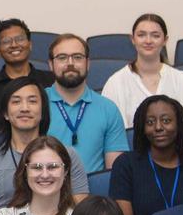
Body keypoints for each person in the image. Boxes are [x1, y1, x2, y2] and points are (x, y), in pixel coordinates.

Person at [0, 77, 90, 215]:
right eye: (16, 101)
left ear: (43, 111)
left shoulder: (67, 155)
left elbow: (81, 213)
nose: (25, 108)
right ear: (6, 113)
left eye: (32, 101)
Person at [101, 13, 183, 129]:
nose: (148, 41)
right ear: (132, 39)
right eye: (141, 35)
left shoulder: (181, 80)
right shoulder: (115, 83)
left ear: (165, 40)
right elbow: (111, 135)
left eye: (155, 36)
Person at [109, 96, 183, 215]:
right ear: (142, 128)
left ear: (179, 124)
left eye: (166, 121)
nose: (158, 127)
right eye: (150, 122)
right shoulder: (126, 165)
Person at [45, 33, 128, 171]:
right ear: (50, 65)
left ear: (88, 64)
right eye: (62, 58)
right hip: (45, 188)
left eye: (77, 57)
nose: (70, 63)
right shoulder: (36, 104)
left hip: (92, 192)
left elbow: (112, 173)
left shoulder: (108, 109)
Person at [0, 19, 56, 138]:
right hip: (1, 152)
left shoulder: (51, 80)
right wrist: (7, 151)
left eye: (20, 39)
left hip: (45, 150)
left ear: (30, 44)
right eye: (6, 41)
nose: (14, 45)